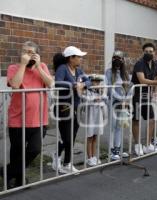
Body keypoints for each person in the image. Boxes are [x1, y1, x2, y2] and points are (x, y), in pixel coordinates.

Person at [6, 41, 54, 188]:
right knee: (17, 151)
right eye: (25, 52)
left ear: (37, 54)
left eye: (31, 52)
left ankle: (7, 172)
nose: (27, 55)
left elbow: (50, 83)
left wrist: (38, 66)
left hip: (39, 120)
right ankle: (18, 179)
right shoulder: (13, 68)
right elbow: (15, 85)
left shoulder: (43, 67)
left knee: (34, 149)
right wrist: (22, 65)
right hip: (18, 119)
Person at [52, 46, 91, 174]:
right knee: (67, 137)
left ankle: (59, 156)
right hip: (64, 107)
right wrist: (74, 85)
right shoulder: (62, 69)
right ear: (71, 58)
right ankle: (67, 163)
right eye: (78, 57)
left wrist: (83, 84)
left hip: (77, 107)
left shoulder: (78, 71)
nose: (81, 59)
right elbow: (57, 83)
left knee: (71, 136)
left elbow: (89, 81)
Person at [131, 43, 157, 155]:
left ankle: (147, 145)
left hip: (147, 96)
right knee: (136, 120)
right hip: (137, 95)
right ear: (143, 52)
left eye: (151, 51)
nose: (149, 53)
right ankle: (137, 145)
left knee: (151, 119)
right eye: (146, 51)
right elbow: (142, 80)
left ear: (154, 52)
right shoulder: (139, 64)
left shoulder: (155, 64)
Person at [105, 50, 131, 160]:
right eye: (115, 57)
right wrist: (120, 99)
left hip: (123, 104)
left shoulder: (125, 74)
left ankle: (118, 148)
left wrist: (126, 100)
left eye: (119, 58)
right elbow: (109, 88)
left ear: (123, 60)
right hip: (113, 103)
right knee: (112, 126)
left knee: (120, 126)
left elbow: (129, 88)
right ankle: (111, 151)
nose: (117, 60)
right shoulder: (108, 72)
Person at [82, 75, 105, 166]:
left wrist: (101, 99)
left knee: (95, 136)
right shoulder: (87, 91)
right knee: (90, 137)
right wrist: (94, 99)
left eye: (98, 82)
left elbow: (103, 103)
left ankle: (94, 156)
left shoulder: (99, 92)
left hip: (98, 116)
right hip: (90, 116)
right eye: (95, 81)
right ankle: (89, 157)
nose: (97, 83)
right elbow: (85, 101)